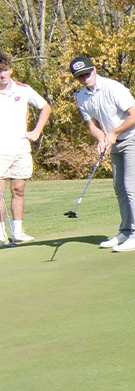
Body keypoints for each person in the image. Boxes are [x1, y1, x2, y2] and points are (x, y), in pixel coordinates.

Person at [70, 56, 135, 252]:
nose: (85, 78)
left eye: (87, 73)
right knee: (119, 188)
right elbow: (91, 124)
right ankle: (126, 231)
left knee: (131, 186)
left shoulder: (113, 88)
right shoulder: (82, 96)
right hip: (117, 142)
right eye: (80, 76)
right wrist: (101, 138)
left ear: (94, 70)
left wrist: (113, 133)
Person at [1, 53, 51, 246]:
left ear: (11, 70)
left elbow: (45, 108)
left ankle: (18, 231)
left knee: (18, 189)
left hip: (21, 148)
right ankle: (1, 233)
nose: (2, 74)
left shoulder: (23, 89)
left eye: (5, 70)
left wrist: (37, 131)